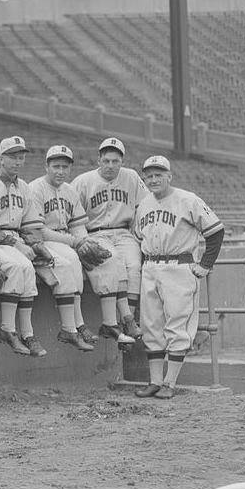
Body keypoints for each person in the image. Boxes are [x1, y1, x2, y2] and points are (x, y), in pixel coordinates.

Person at [133, 155, 224, 399]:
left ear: (169, 176)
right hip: (151, 266)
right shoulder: (143, 204)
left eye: (158, 175)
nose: (153, 180)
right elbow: (138, 236)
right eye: (149, 176)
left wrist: (205, 265)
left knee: (177, 326)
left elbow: (216, 231)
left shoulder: (188, 199)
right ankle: (154, 381)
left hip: (179, 266)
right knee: (151, 327)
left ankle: (169, 383)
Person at [71, 137, 147, 344]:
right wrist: (81, 240)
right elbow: (70, 214)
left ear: (122, 161)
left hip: (123, 232)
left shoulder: (131, 177)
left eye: (115, 161)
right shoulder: (83, 181)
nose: (111, 166)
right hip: (95, 233)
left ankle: (126, 324)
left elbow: (144, 206)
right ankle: (128, 320)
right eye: (106, 161)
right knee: (112, 261)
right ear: (98, 160)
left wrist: (142, 234)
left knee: (133, 267)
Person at [0, 136, 46, 357]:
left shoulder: (24, 187)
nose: (17, 161)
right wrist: (18, 245)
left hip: (16, 240)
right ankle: (7, 329)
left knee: (27, 267)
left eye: (21, 157)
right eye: (12, 157)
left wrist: (35, 245)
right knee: (18, 267)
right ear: (0, 158)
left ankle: (27, 333)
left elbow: (30, 225)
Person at [27, 145, 98, 351]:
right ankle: (69, 328)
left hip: (63, 239)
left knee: (76, 262)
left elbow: (78, 225)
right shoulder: (35, 188)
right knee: (66, 265)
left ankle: (79, 324)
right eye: (56, 166)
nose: (60, 171)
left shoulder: (70, 191)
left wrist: (85, 242)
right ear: (46, 166)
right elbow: (39, 231)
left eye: (65, 167)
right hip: (41, 240)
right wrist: (76, 242)